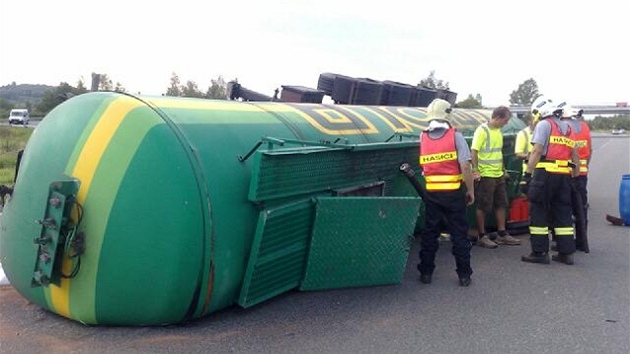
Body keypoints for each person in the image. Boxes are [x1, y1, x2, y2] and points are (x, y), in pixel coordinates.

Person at [417, 98, 475, 287]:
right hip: (453, 193)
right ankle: (464, 275)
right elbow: (465, 166)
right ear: (448, 115)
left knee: (430, 233)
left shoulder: (422, 137)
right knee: (459, 233)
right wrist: (470, 190)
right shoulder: (455, 136)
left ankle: (426, 272)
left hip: (432, 193)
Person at [521, 100, 580, 265]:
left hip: (544, 174)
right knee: (563, 214)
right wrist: (575, 177)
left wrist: (527, 174)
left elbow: (537, 150)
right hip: (564, 176)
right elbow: (575, 156)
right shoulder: (568, 128)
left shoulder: (544, 125)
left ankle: (539, 252)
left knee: (538, 211)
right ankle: (566, 253)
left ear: (540, 111)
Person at [471, 106, 522, 248]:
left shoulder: (498, 131)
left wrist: (503, 170)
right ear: (498, 117)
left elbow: (498, 153)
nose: (506, 123)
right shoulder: (482, 131)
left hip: (498, 174)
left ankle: (502, 233)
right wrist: (476, 171)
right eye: (505, 120)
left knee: (501, 203)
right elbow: (474, 152)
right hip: (486, 174)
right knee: (483, 205)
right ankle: (482, 236)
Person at [559, 103, 592, 253]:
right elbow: (589, 150)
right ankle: (581, 240)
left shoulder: (564, 127)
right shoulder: (584, 126)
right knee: (581, 209)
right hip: (582, 174)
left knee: (564, 208)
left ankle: (565, 244)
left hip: (568, 173)